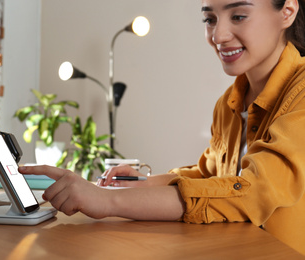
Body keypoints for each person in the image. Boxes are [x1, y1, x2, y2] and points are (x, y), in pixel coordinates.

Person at [19, 0, 305, 255]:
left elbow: (255, 190)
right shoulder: (229, 103)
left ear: (287, 12)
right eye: (210, 19)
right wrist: (139, 182)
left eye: (239, 16)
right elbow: (209, 174)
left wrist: (108, 201)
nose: (218, 36)